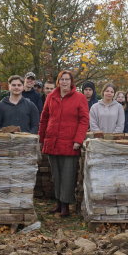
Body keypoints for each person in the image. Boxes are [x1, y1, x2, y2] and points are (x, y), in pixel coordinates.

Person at [39, 70, 89, 217]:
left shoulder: (79, 98)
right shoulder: (51, 97)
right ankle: (59, 204)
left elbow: (84, 120)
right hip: (52, 141)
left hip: (70, 143)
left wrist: (78, 140)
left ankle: (66, 206)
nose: (65, 82)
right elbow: (44, 118)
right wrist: (42, 139)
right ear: (58, 81)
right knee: (56, 175)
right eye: (62, 79)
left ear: (71, 82)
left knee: (67, 175)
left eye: (67, 79)